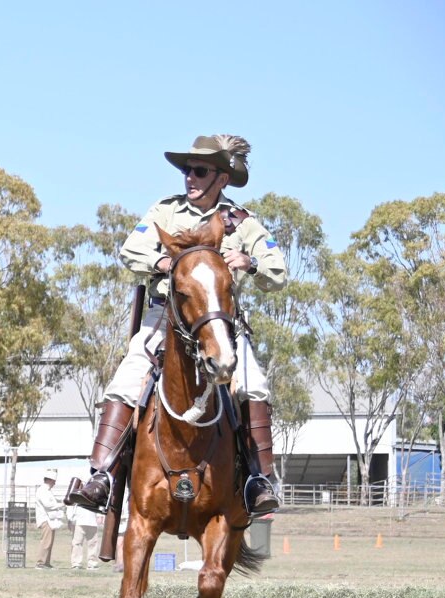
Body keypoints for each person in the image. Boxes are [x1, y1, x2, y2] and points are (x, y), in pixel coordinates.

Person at [66, 135, 288, 518]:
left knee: (254, 384)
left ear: (221, 178)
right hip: (165, 318)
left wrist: (248, 261)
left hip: (219, 324)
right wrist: (164, 264)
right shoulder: (164, 212)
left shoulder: (243, 221)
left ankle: (258, 480)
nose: (190, 177)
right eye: (187, 170)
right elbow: (129, 251)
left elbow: (278, 272)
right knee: (126, 379)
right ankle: (100, 476)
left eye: (199, 171)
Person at [34, 469, 64, 568]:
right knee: (46, 542)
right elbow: (48, 505)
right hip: (45, 519)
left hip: (50, 519)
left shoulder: (47, 491)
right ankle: (40, 562)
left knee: (49, 542)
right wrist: (62, 504)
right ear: (50, 480)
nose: (54, 483)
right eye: (54, 481)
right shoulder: (43, 490)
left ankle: (46, 562)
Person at [67, 491, 101, 570]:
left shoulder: (94, 494)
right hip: (79, 521)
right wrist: (70, 519)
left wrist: (99, 516)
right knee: (77, 543)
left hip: (92, 521)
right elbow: (70, 506)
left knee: (93, 543)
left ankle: (92, 563)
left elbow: (99, 505)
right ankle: (76, 563)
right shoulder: (76, 494)